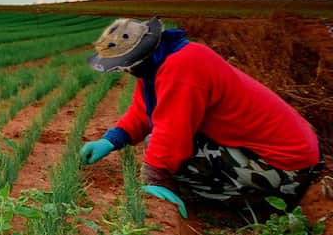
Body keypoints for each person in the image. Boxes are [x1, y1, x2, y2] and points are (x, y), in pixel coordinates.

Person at [79, 17, 322, 218]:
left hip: (286, 166)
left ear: (139, 57)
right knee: (166, 149)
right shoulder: (161, 62)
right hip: (277, 151)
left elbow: (171, 134)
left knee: (172, 156)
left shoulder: (181, 68)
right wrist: (111, 140)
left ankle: (258, 208)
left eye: (124, 65)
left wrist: (154, 180)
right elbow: (143, 112)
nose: (124, 70)